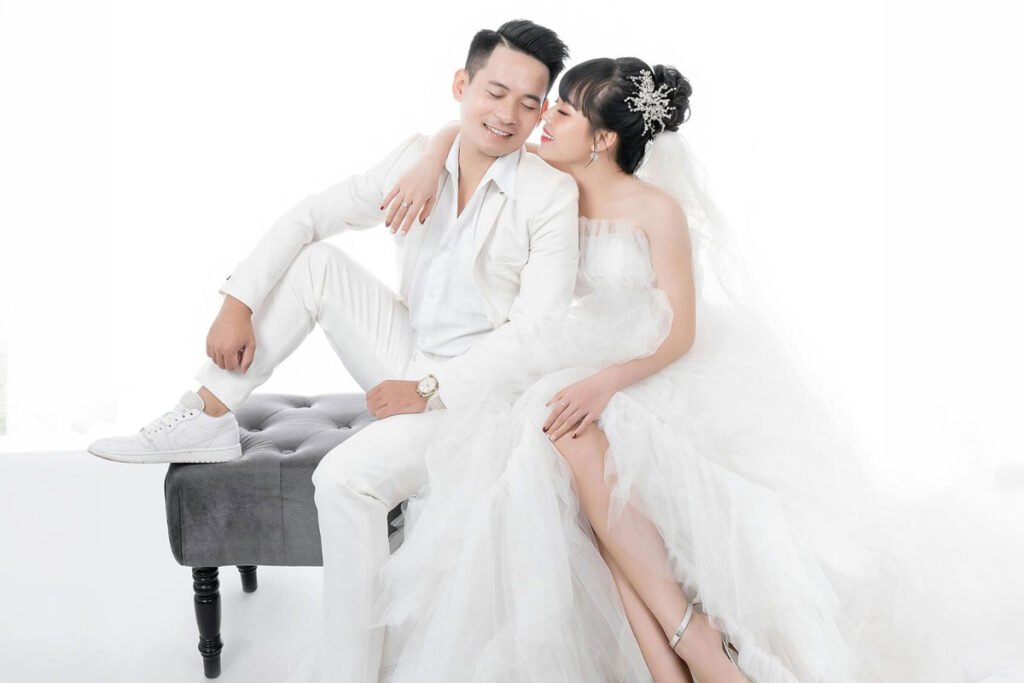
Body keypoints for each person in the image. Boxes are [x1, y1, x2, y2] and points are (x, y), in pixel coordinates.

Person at [360, 57, 1024, 682]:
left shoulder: (655, 208)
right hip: (576, 350)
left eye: (563, 111)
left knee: (577, 437)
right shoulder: (547, 184)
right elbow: (473, 130)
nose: (543, 121)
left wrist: (608, 380)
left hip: (648, 361)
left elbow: (681, 330)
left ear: (603, 139)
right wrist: (429, 153)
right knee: (562, 453)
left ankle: (685, 645)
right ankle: (684, 648)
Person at [87, 19, 581, 683]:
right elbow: (315, 212)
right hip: (409, 347)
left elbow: (534, 336)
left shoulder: (549, 195)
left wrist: (430, 392)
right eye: (495, 92)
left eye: (530, 102)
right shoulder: (420, 155)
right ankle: (206, 409)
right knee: (317, 262)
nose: (510, 114)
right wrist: (236, 299)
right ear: (461, 84)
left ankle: (353, 672)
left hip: (478, 397)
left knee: (343, 478)